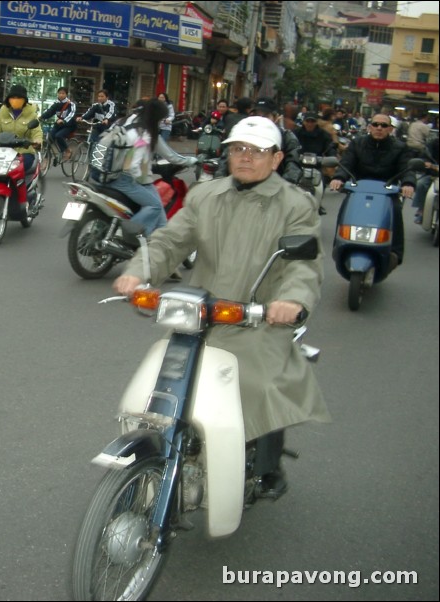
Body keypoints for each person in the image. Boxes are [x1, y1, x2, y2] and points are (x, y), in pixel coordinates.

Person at [113, 116, 329, 499]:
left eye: (257, 151)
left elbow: (303, 264)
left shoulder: (297, 204)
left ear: (276, 158)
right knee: (164, 377)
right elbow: (169, 241)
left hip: (258, 317)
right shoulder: (205, 195)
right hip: (201, 314)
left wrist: (291, 300)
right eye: (238, 149)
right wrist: (138, 272)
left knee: (260, 384)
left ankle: (266, 466)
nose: (245, 158)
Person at [329, 114, 417, 266]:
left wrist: (408, 183)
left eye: (383, 125)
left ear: (390, 129)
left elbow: (407, 168)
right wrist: (339, 178)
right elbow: (347, 162)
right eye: (375, 124)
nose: (379, 128)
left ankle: (395, 253)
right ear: (369, 127)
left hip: (387, 192)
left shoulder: (400, 148)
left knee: (395, 210)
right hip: (359, 190)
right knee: (345, 208)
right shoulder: (357, 143)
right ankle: (338, 247)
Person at [102, 98, 197, 236]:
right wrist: (193, 160)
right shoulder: (145, 134)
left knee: (160, 218)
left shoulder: (126, 121)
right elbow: (134, 165)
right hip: (125, 178)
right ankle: (124, 234)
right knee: (155, 205)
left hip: (107, 172)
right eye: (161, 119)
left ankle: (157, 245)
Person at [216, 101, 303, 187]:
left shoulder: (287, 137)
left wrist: (284, 188)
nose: (261, 120)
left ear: (276, 118)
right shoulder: (242, 134)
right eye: (257, 115)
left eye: (266, 116)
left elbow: (293, 165)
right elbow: (225, 160)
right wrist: (219, 184)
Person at [0, 84, 43, 195]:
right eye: (13, 98)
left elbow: (37, 132)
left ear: (24, 100)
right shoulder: (3, 111)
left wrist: (37, 141)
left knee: (18, 170)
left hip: (24, 152)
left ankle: (26, 194)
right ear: (8, 99)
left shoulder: (31, 113)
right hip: (4, 152)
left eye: (19, 98)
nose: (16, 100)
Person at [39, 86, 78, 160]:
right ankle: (48, 154)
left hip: (69, 125)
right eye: (59, 93)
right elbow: (49, 112)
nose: (61, 95)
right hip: (59, 125)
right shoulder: (56, 104)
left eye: (63, 93)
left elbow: (72, 114)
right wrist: (41, 117)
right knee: (50, 137)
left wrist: (64, 120)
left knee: (58, 136)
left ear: (66, 94)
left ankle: (67, 150)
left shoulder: (71, 104)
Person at [76, 89, 117, 153]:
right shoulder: (95, 105)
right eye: (99, 96)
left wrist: (106, 119)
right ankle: (90, 160)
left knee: (103, 144)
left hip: (107, 127)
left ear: (107, 97)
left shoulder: (111, 105)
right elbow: (89, 113)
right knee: (92, 142)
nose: (100, 98)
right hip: (97, 126)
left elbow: (111, 113)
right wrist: (82, 117)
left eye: (102, 96)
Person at [412, 135, 439, 223]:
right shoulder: (433, 143)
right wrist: (426, 163)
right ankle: (422, 210)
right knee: (420, 184)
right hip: (433, 175)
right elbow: (424, 156)